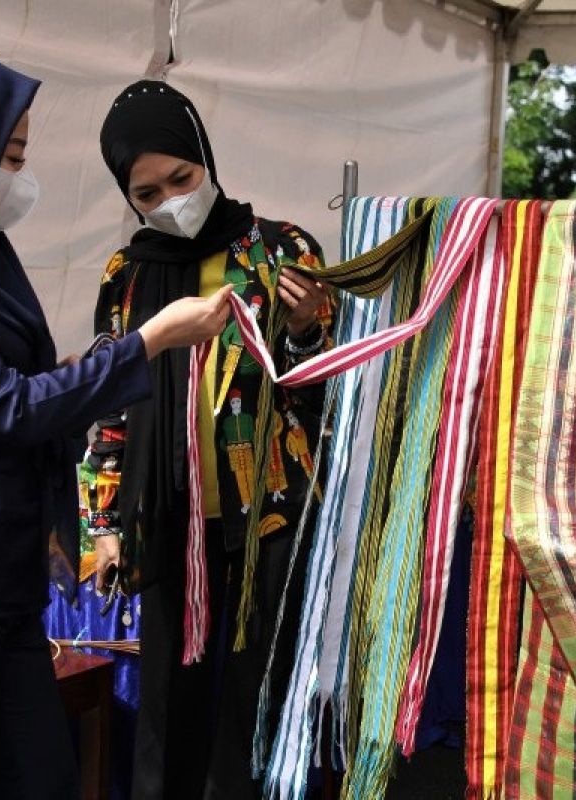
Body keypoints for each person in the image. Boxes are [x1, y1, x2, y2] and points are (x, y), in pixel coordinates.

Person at [0, 38, 230, 799]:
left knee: (42, 777)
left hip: (0, 584)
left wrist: (69, 378)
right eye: (9, 155)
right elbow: (10, 407)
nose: (16, 176)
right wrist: (149, 342)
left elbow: (11, 386)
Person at [84, 80, 332, 798]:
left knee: (259, 693)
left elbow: (321, 395)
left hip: (269, 517)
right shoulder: (126, 274)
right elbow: (109, 397)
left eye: (182, 178)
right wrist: (102, 523)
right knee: (166, 698)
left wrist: (306, 329)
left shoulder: (283, 249)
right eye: (148, 192)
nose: (169, 200)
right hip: (165, 515)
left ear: (205, 157)